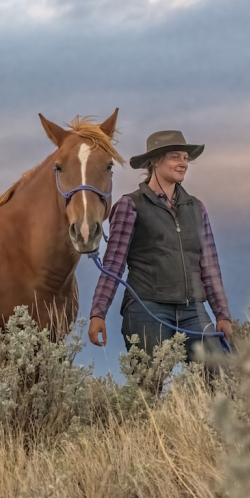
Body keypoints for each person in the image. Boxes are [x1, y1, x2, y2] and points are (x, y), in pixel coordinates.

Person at [88, 129, 233, 373]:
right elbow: (113, 264)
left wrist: (223, 315)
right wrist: (98, 313)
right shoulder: (130, 205)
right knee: (148, 386)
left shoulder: (197, 208)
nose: (183, 163)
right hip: (147, 308)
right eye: (175, 156)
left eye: (186, 158)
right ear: (155, 161)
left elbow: (210, 267)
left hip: (193, 311)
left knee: (220, 378)